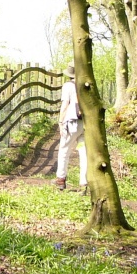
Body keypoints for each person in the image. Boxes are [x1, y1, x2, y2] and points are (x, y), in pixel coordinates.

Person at [56, 63, 87, 191]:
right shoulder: (86, 84)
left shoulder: (68, 86)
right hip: (84, 123)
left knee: (64, 149)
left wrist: (60, 121)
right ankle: (84, 183)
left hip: (72, 123)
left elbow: (65, 105)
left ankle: (61, 179)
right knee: (83, 152)